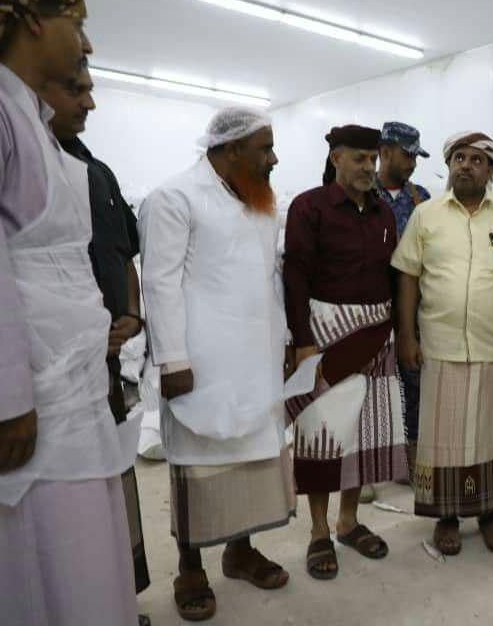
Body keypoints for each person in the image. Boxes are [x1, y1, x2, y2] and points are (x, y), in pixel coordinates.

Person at [0, 0, 140, 624]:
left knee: (89, 552)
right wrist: (6, 400)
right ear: (30, 17)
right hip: (31, 397)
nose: (86, 43)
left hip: (71, 386)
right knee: (45, 559)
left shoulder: (30, 116)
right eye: (76, 23)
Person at [139, 107, 294, 621]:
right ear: (230, 150)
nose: (274, 158)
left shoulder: (260, 202)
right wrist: (172, 360)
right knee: (199, 463)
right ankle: (190, 567)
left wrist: (284, 340)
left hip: (256, 357)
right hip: (201, 362)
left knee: (248, 463)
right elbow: (159, 282)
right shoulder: (174, 197)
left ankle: (240, 552)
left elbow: (269, 278)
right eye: (265, 148)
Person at [392, 131, 493, 556]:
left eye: (477, 160)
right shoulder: (427, 215)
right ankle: (447, 516)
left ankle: (489, 512)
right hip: (441, 345)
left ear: (492, 170)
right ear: (449, 165)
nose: (466, 166)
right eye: (459, 158)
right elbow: (408, 276)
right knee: (445, 437)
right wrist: (407, 335)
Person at [40, 59, 151, 602]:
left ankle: (116, 598)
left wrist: (131, 312)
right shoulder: (28, 169)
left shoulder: (97, 171)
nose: (90, 102)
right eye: (75, 88)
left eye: (89, 88)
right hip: (49, 369)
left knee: (112, 482)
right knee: (61, 496)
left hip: (103, 362)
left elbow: (125, 253)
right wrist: (80, 328)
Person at [283, 124, 408, 580]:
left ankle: (348, 521)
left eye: (373, 159)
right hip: (326, 334)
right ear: (336, 158)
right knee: (321, 434)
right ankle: (319, 531)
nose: (368, 167)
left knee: (365, 434)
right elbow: (295, 275)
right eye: (359, 158)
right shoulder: (308, 207)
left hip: (377, 333)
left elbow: (393, 275)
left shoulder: (383, 213)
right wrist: (302, 341)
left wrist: (399, 331)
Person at [375, 120, 430, 483]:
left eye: (415, 157)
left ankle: (412, 456)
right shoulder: (365, 191)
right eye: (407, 155)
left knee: (414, 379)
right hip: (373, 302)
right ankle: (370, 464)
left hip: (414, 303)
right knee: (373, 385)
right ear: (385, 152)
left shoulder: (420, 197)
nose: (412, 163)